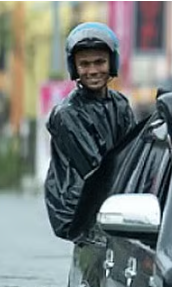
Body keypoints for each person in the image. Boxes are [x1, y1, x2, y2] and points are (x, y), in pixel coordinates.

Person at [44, 22, 136, 242]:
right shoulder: (67, 114)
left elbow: (134, 153)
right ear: (74, 68)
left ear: (111, 63)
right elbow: (96, 170)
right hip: (79, 214)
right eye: (84, 64)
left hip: (111, 202)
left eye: (99, 62)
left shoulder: (120, 104)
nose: (93, 71)